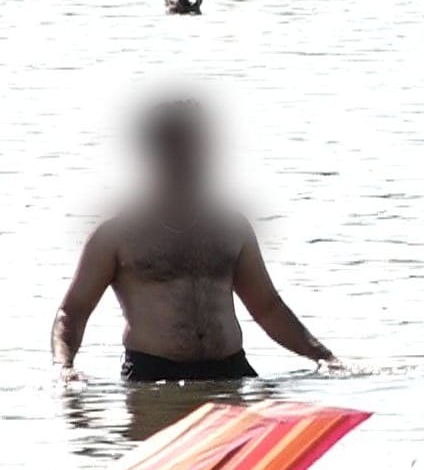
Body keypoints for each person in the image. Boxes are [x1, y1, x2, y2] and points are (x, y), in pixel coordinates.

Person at [51, 98, 340, 382]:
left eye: (199, 146)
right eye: (183, 147)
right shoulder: (116, 235)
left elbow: (268, 307)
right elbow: (72, 313)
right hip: (153, 377)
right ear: (158, 152)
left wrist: (324, 357)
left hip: (231, 373)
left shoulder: (231, 227)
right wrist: (64, 367)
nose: (194, 157)